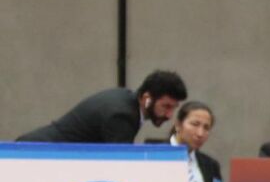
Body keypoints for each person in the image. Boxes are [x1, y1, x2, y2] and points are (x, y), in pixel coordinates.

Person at [16, 70, 187, 144]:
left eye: (174, 108)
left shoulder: (125, 99)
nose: (169, 115)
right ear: (147, 99)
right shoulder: (122, 116)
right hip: (38, 155)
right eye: (166, 106)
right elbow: (121, 165)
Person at [170, 101, 222, 182]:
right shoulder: (154, 155)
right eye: (195, 124)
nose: (200, 133)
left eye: (206, 128)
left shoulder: (211, 165)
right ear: (178, 125)